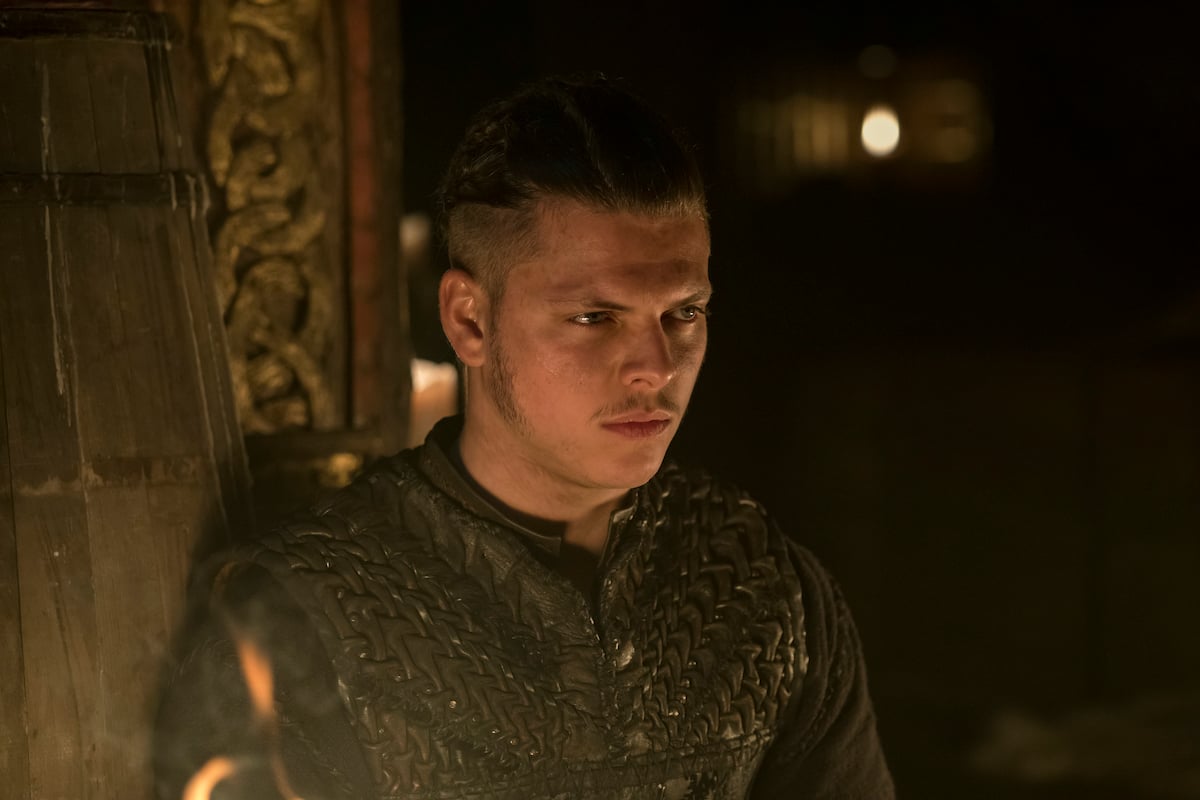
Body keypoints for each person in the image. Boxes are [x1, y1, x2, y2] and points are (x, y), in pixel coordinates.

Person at [155, 76, 895, 800]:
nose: (657, 366)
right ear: (469, 320)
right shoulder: (305, 621)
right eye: (594, 317)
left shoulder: (763, 589)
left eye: (684, 313)